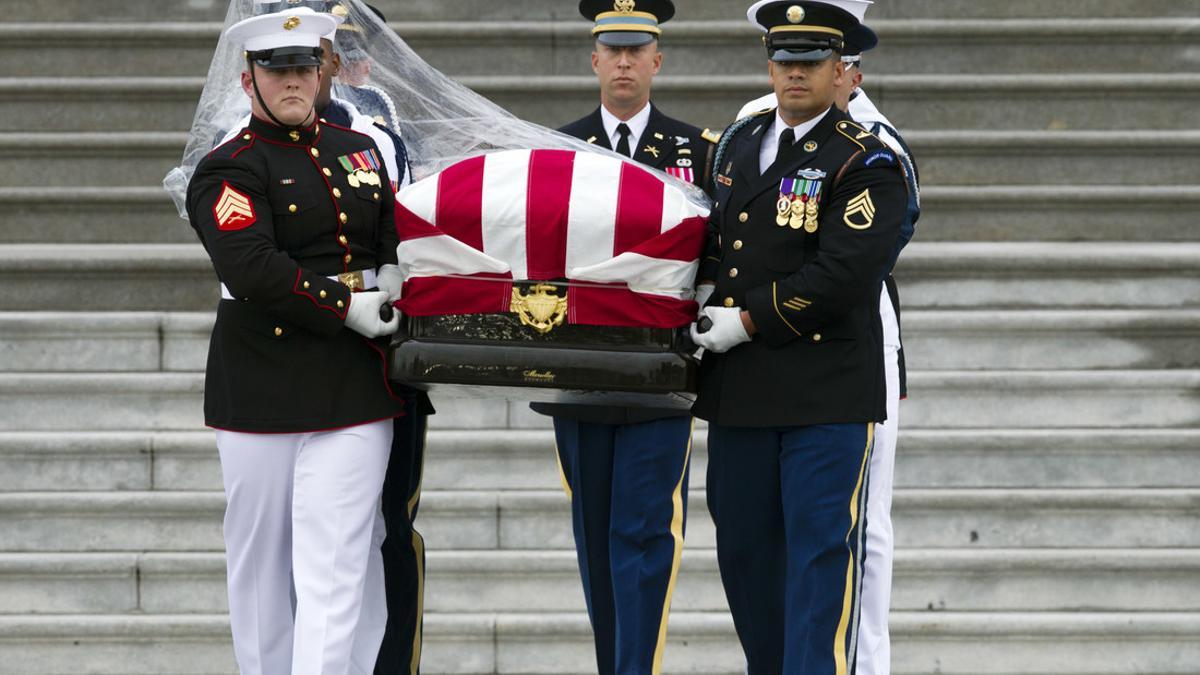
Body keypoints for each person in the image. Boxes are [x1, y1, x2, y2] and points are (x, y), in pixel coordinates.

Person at [184, 7, 405, 674]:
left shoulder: (361, 151)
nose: (292, 80)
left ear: (324, 71)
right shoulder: (229, 167)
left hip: (352, 385)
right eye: (276, 69)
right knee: (261, 568)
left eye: (304, 66)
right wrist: (348, 307)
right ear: (249, 79)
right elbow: (249, 267)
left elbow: (392, 225)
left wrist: (395, 264)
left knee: (338, 563)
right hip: (261, 384)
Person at [689, 1, 909, 672]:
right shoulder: (735, 142)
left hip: (825, 395)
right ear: (769, 65)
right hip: (741, 392)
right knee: (746, 555)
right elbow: (712, 242)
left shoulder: (867, 159)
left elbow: (844, 272)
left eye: (811, 63)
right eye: (784, 61)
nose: (795, 75)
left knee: (818, 559)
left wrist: (749, 318)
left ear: (841, 70)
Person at [528, 1, 716, 673]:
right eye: (614, 50)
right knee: (595, 540)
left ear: (657, 60)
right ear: (594, 59)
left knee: (643, 538)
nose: (626, 62)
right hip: (580, 377)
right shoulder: (556, 151)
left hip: (659, 380)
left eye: (638, 51)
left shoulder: (699, 150)